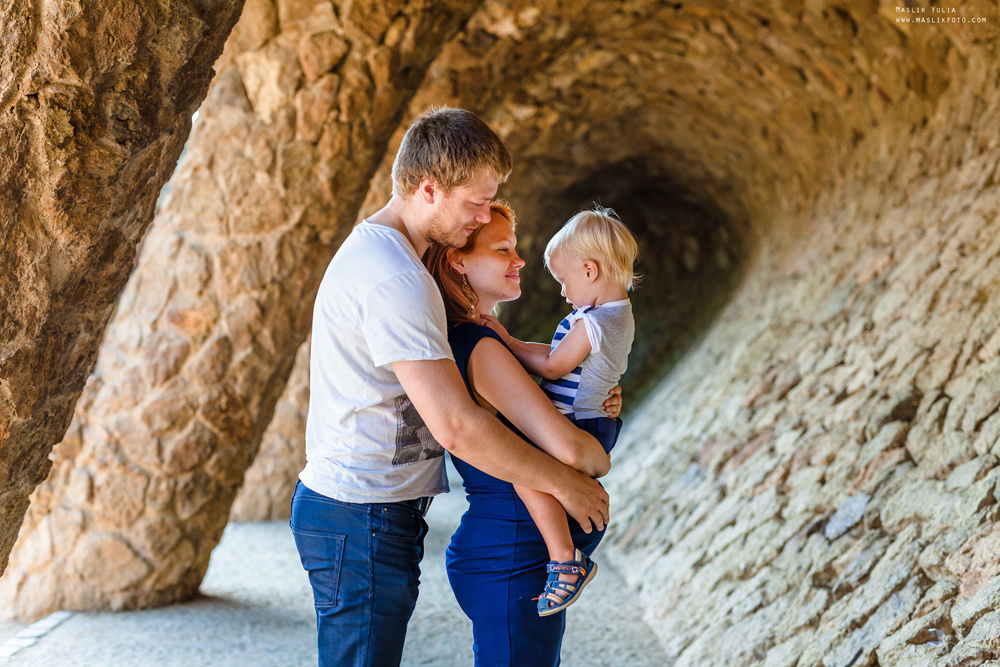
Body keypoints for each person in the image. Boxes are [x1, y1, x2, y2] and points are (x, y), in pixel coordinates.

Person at [290, 107, 617, 667]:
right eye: (475, 204)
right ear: (429, 189)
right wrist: (567, 483)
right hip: (359, 511)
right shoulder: (394, 276)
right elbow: (459, 426)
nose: (483, 215)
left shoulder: (400, 261)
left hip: (374, 509)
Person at [423, 202, 621, 667]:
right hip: (511, 554)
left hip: (512, 550)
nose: (520, 260)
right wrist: (601, 460)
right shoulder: (481, 347)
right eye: (502, 249)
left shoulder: (481, 342)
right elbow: (577, 453)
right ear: (459, 261)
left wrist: (603, 402)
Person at [482, 206, 638, 616]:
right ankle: (566, 556)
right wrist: (511, 341)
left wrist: (506, 344)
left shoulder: (592, 323)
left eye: (564, 281)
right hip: (591, 419)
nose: (564, 293)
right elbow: (556, 355)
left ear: (589, 271)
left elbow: (552, 366)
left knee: (526, 474)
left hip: (577, 423)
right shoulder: (614, 315)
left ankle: (566, 560)